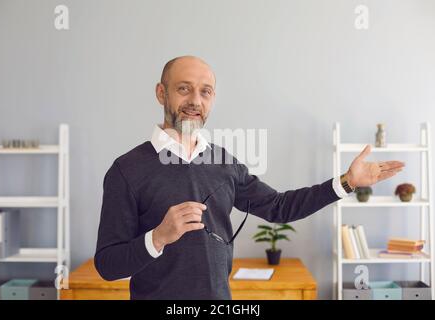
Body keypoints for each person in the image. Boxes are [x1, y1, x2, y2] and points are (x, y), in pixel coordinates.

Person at [94, 56, 405, 299]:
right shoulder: (126, 170)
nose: (195, 101)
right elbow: (107, 265)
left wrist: (346, 182)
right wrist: (158, 237)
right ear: (161, 93)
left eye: (206, 91)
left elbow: (279, 207)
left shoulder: (224, 164)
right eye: (183, 88)